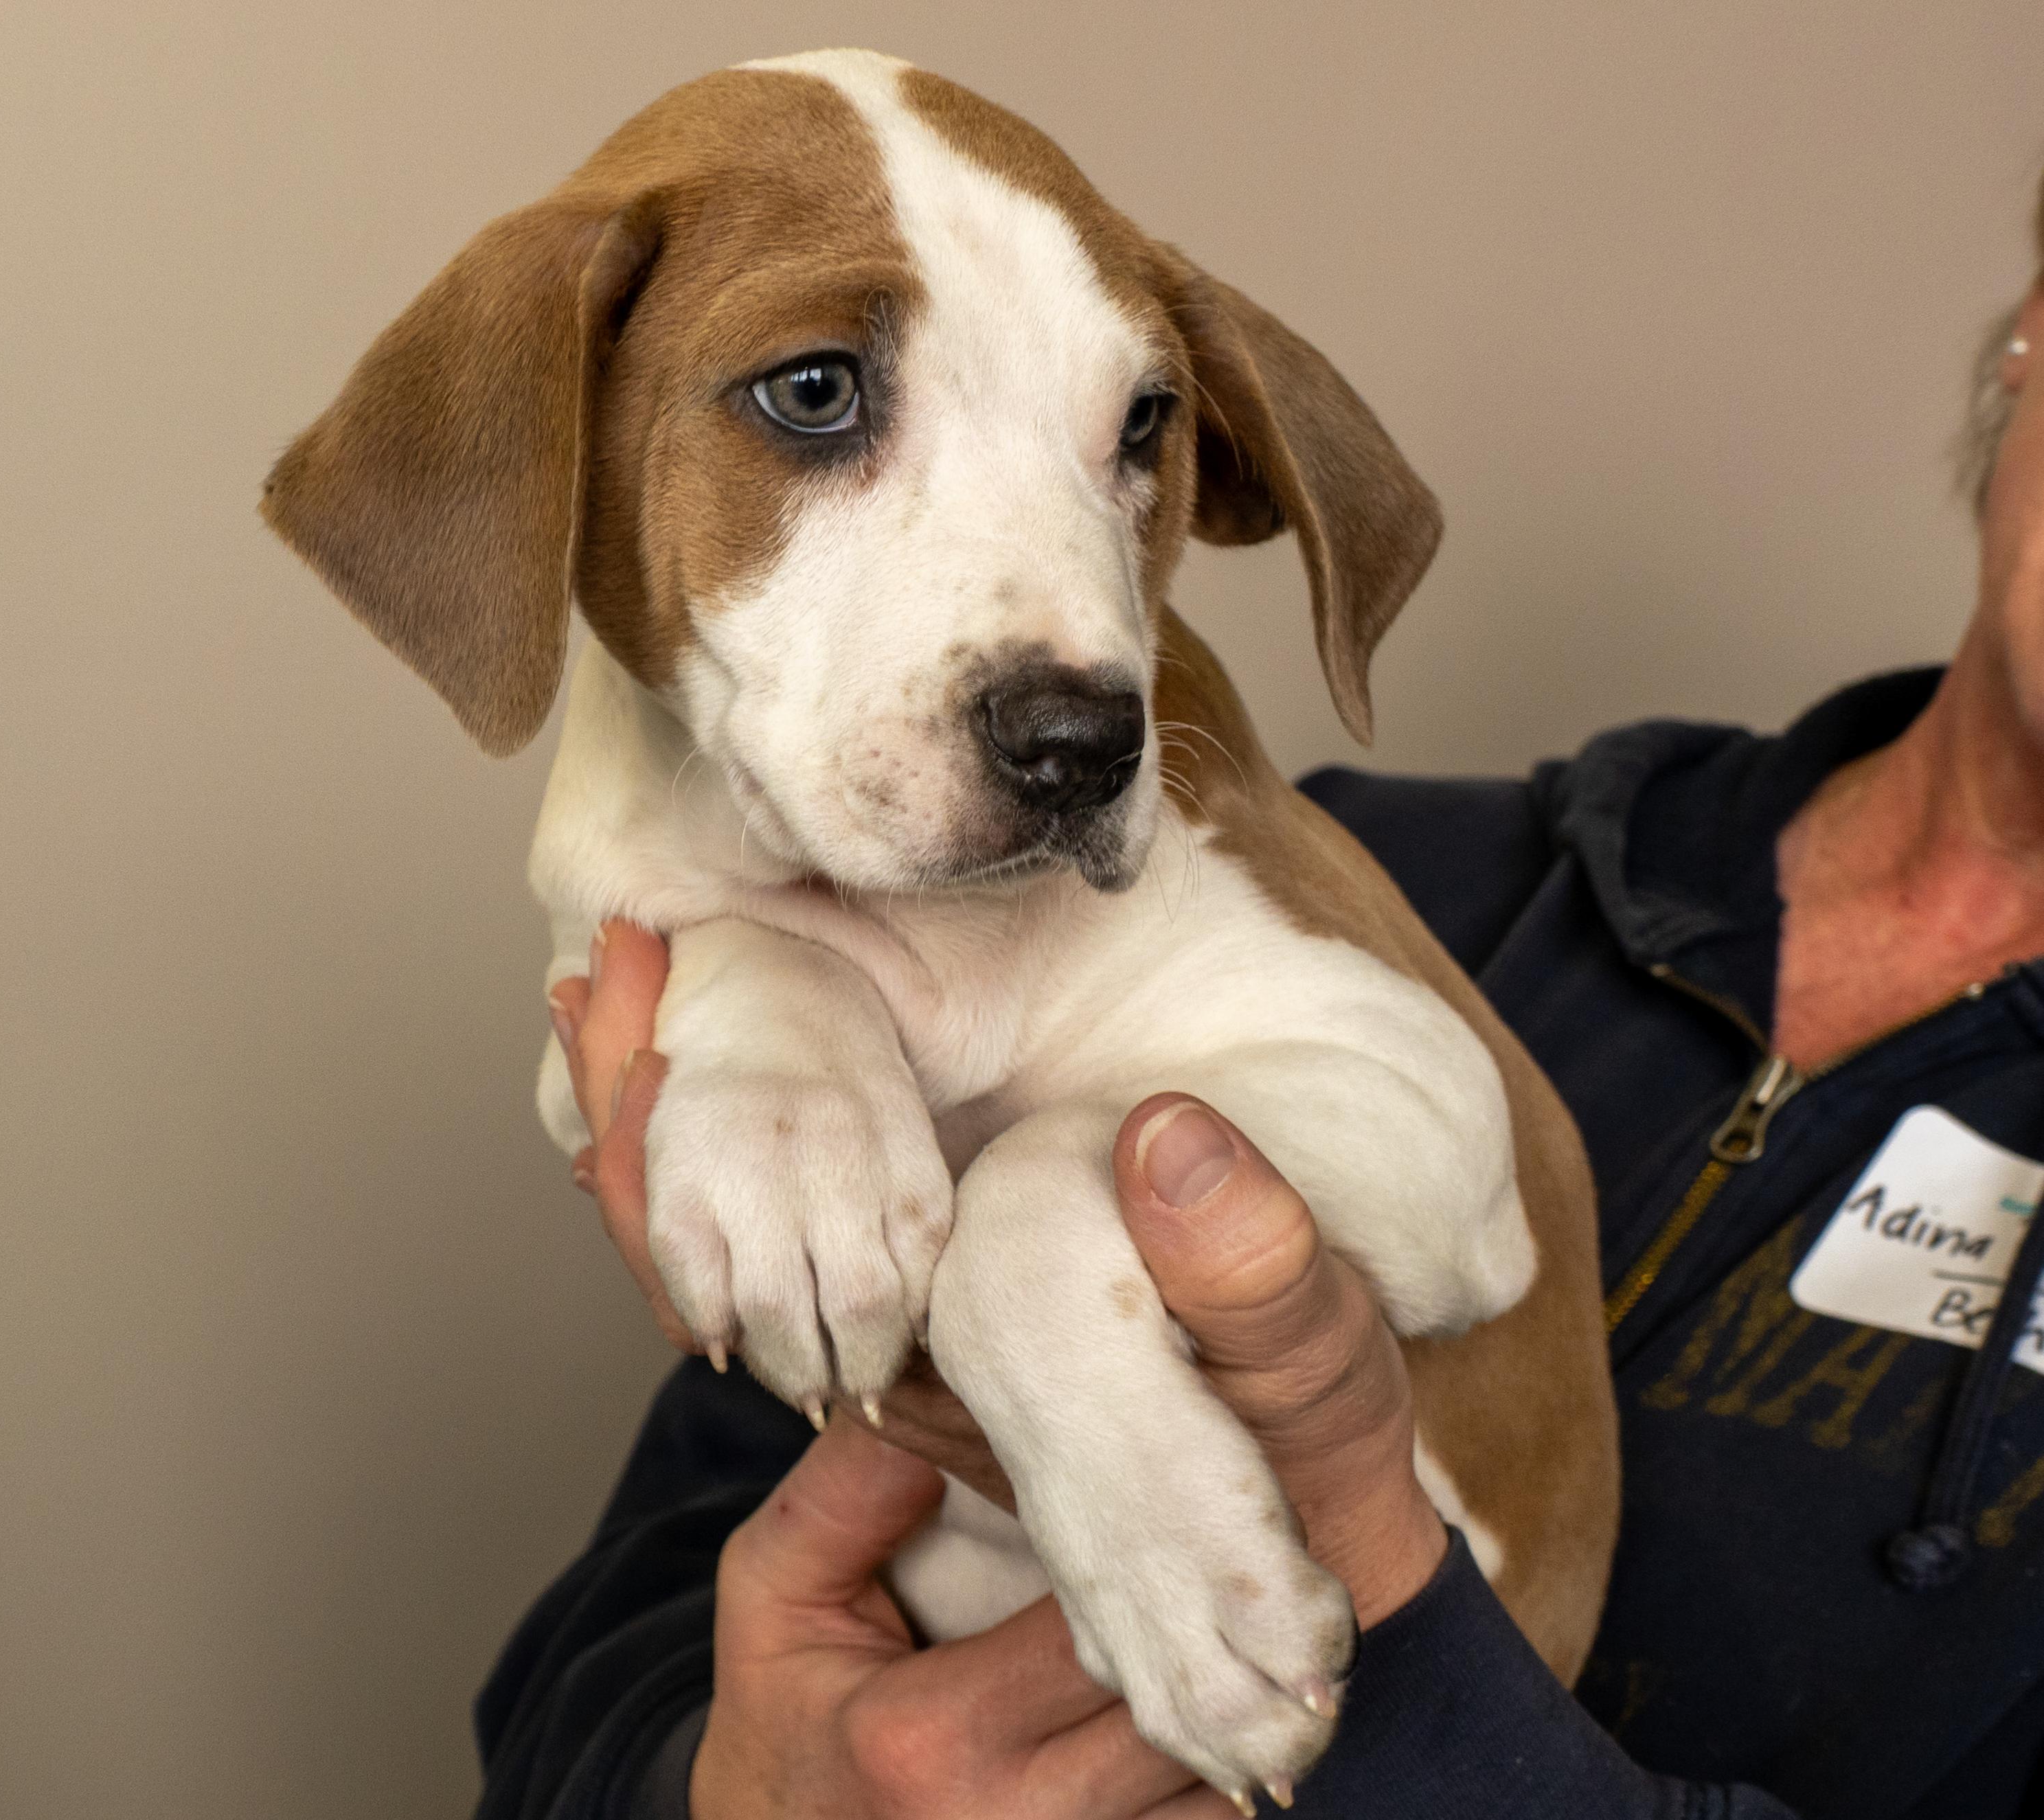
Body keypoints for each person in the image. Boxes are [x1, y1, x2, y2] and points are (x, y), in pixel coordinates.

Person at [471, 173, 2044, 1818]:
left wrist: (1405, 1705)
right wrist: (723, 1778)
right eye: (819, 400)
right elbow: (611, 1638)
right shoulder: (1390, 875)